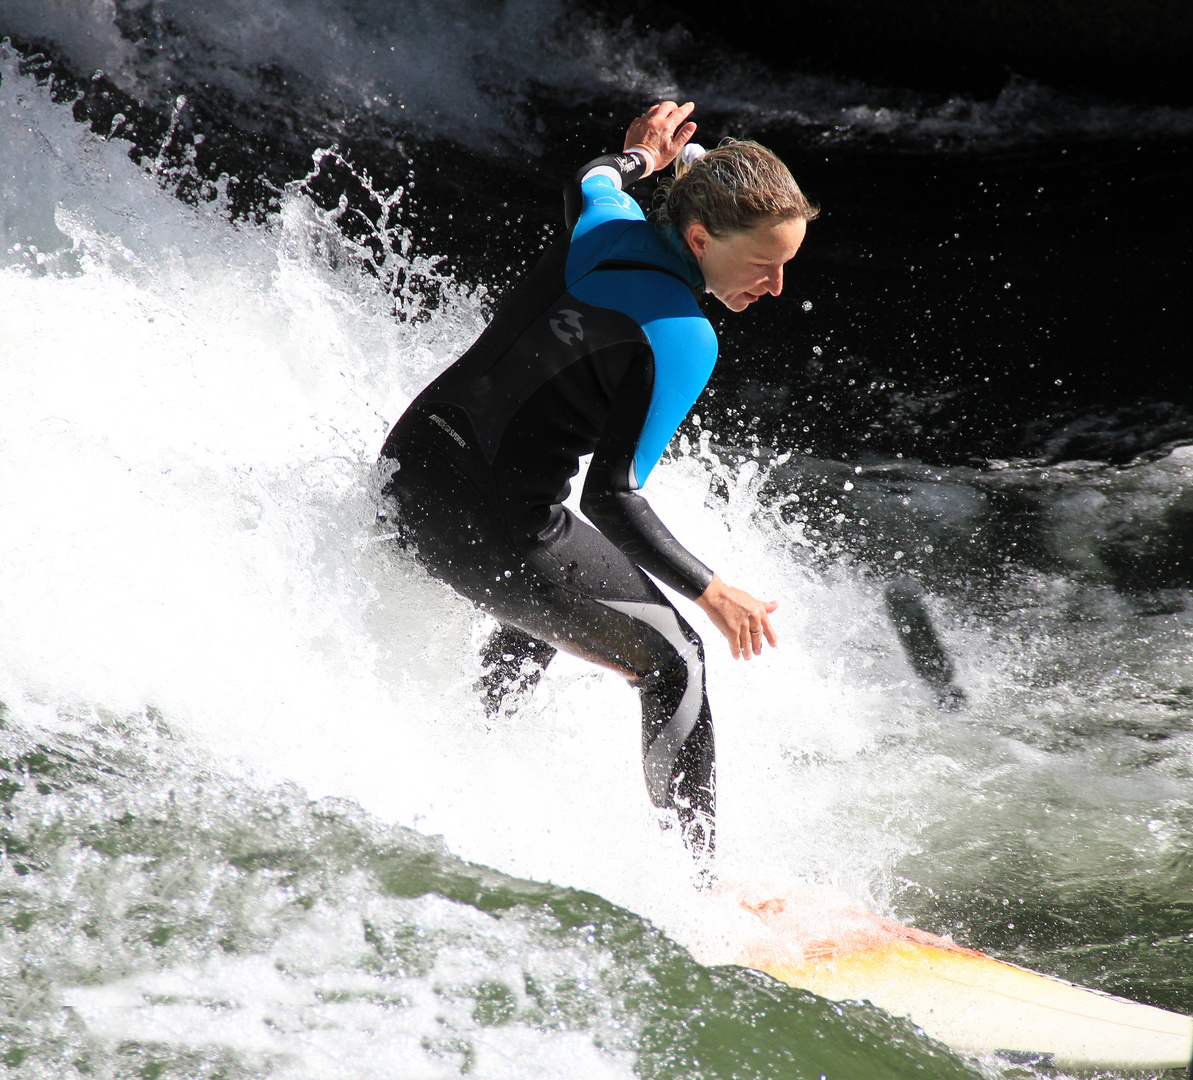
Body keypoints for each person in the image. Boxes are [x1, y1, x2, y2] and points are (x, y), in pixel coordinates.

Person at [377, 101, 817, 862]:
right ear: (699, 239)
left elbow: (594, 175)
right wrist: (712, 592)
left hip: (410, 467)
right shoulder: (681, 335)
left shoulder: (602, 219)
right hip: (486, 523)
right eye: (761, 266)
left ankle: (461, 759)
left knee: (557, 585)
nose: (775, 287)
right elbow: (609, 498)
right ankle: (700, 888)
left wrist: (643, 154)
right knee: (675, 661)